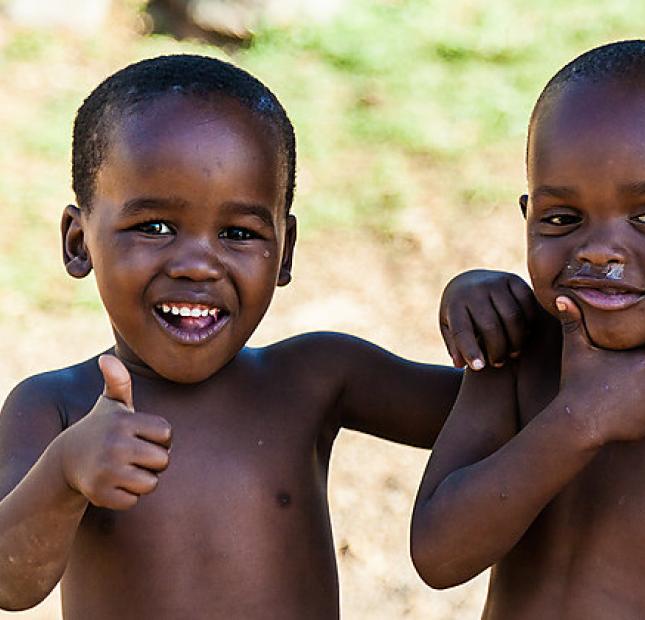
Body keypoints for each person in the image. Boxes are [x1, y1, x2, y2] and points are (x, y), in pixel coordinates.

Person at [0, 54, 533, 618]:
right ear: (79, 242)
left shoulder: (316, 377)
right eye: (153, 227)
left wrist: (484, 310)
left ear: (285, 249)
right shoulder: (56, 407)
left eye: (238, 232)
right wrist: (65, 474)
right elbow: (12, 585)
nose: (197, 265)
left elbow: (500, 411)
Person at [410, 39, 645, 618]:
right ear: (528, 217)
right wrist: (577, 422)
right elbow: (437, 556)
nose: (599, 251)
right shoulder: (518, 357)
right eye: (563, 219)